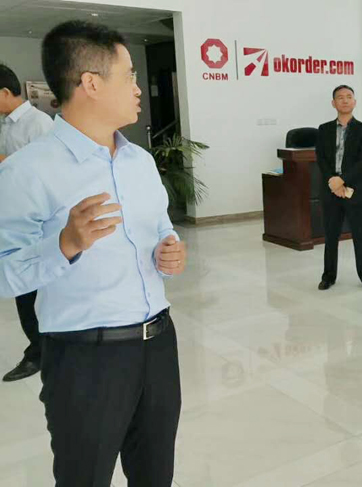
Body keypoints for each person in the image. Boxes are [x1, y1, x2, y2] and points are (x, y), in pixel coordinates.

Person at [0, 21, 187, 485]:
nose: (138, 88)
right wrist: (64, 245)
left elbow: (161, 227)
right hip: (85, 360)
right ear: (91, 83)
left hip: (158, 346)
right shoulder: (27, 171)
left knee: (156, 475)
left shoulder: (140, 161)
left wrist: (170, 250)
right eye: (129, 76)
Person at [0, 62, 54, 382]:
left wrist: (5, 162)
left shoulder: (39, 123)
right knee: (23, 288)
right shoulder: (6, 125)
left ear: (5, 92)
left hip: (37, 223)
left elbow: (51, 169)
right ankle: (39, 347)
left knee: (35, 291)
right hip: (14, 219)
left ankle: (40, 352)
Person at [315, 85, 362, 292]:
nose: (345, 100)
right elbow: (321, 159)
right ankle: (328, 276)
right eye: (340, 97)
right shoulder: (324, 129)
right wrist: (333, 182)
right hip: (331, 191)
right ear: (334, 103)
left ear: (354, 102)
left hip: (355, 191)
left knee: (360, 236)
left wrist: (342, 180)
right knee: (331, 237)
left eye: (349, 97)